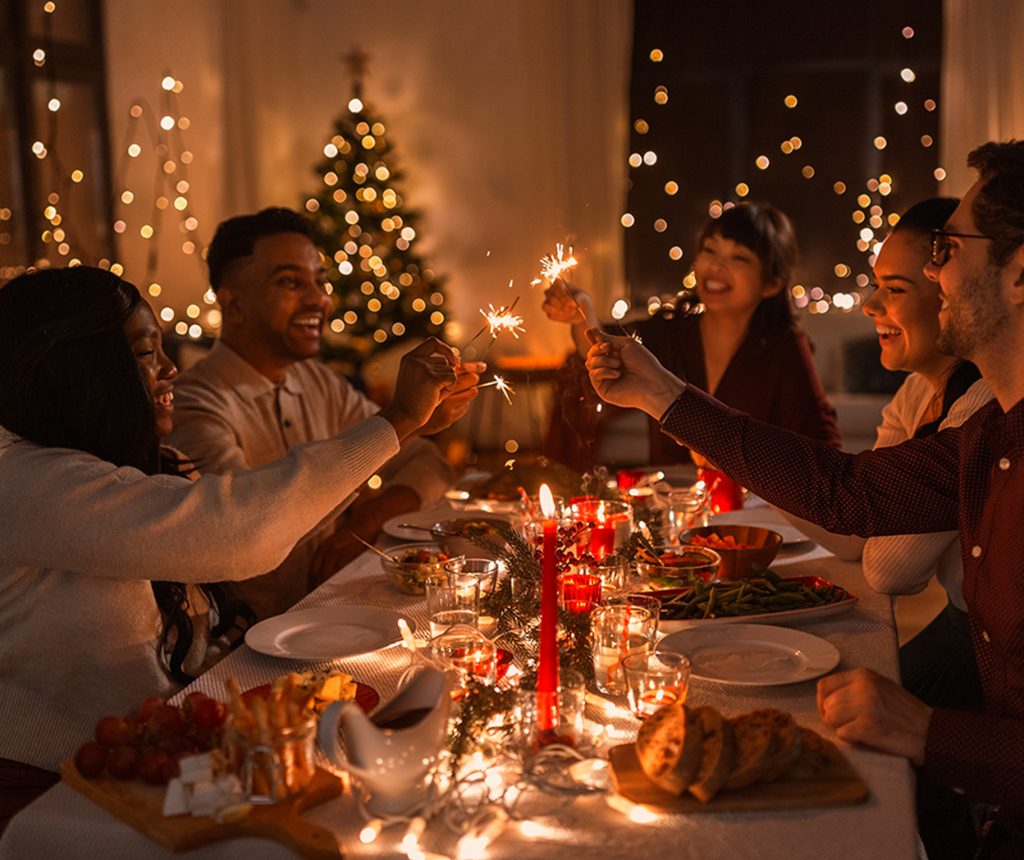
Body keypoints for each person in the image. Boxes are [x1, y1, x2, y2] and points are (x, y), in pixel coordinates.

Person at [585, 140, 1024, 857]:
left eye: (947, 247)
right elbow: (844, 494)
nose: (933, 268)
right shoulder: (985, 433)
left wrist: (927, 732)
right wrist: (660, 394)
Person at [0, 266, 460, 817]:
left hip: (163, 755)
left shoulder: (89, 461)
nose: (171, 368)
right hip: (60, 789)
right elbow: (239, 530)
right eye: (147, 353)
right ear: (82, 370)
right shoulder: (24, 483)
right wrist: (399, 418)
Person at [168, 208, 482, 618]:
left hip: (340, 613)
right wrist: (402, 418)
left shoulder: (320, 384)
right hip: (245, 647)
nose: (319, 299)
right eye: (291, 282)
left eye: (320, 281)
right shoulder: (193, 404)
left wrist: (363, 523)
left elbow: (430, 463)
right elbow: (244, 531)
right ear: (234, 302)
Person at [790, 197, 993, 711]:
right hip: (960, 623)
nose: (869, 305)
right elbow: (862, 529)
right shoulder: (916, 393)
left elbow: (889, 569)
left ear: (950, 297)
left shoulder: (981, 406)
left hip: (985, 646)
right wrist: (748, 475)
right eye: (876, 284)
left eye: (895, 289)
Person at [541, 202, 840, 470]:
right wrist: (583, 310)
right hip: (669, 506)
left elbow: (824, 450)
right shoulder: (670, 334)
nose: (716, 266)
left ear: (772, 283)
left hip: (749, 512)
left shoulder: (783, 347)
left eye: (739, 258)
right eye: (709, 250)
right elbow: (601, 345)